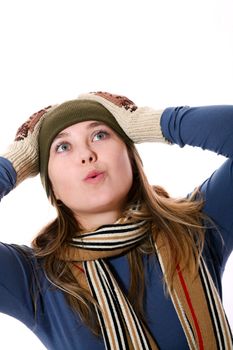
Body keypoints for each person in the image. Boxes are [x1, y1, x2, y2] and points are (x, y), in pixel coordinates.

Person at [0, 91, 232, 350]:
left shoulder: (196, 226)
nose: (86, 155)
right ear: (51, 187)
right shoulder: (36, 278)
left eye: (100, 135)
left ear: (132, 159)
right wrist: (14, 164)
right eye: (63, 147)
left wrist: (151, 122)